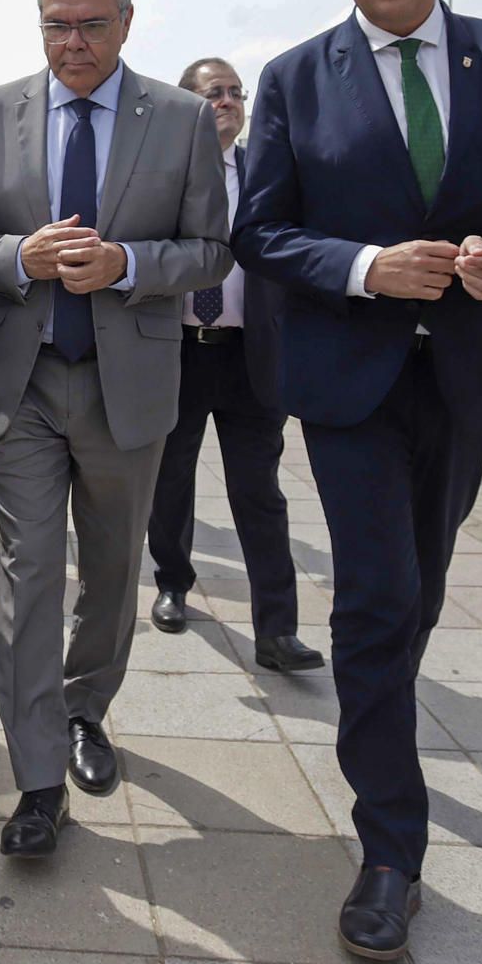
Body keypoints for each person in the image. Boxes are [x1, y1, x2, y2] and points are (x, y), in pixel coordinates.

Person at [232, 0, 482, 960]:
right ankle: (392, 849)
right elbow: (261, 230)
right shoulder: (296, 77)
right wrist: (366, 266)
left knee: (419, 590)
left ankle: (380, 719)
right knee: (376, 599)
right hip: (349, 385)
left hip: (466, 377)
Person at [0, 0, 231, 859]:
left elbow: (213, 251)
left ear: (128, 21)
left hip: (128, 386)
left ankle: (83, 708)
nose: (73, 42)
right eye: (56, 24)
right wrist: (11, 257)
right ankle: (37, 782)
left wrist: (130, 266)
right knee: (30, 573)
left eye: (91, 24)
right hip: (20, 380)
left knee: (111, 575)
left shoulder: (183, 119)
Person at [145, 58, 324, 674]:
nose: (226, 101)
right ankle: (172, 583)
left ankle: (277, 629)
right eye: (212, 93)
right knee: (170, 480)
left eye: (233, 93)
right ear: (188, 103)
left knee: (260, 493)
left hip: (253, 356)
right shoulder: (162, 173)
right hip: (181, 350)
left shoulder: (268, 172)